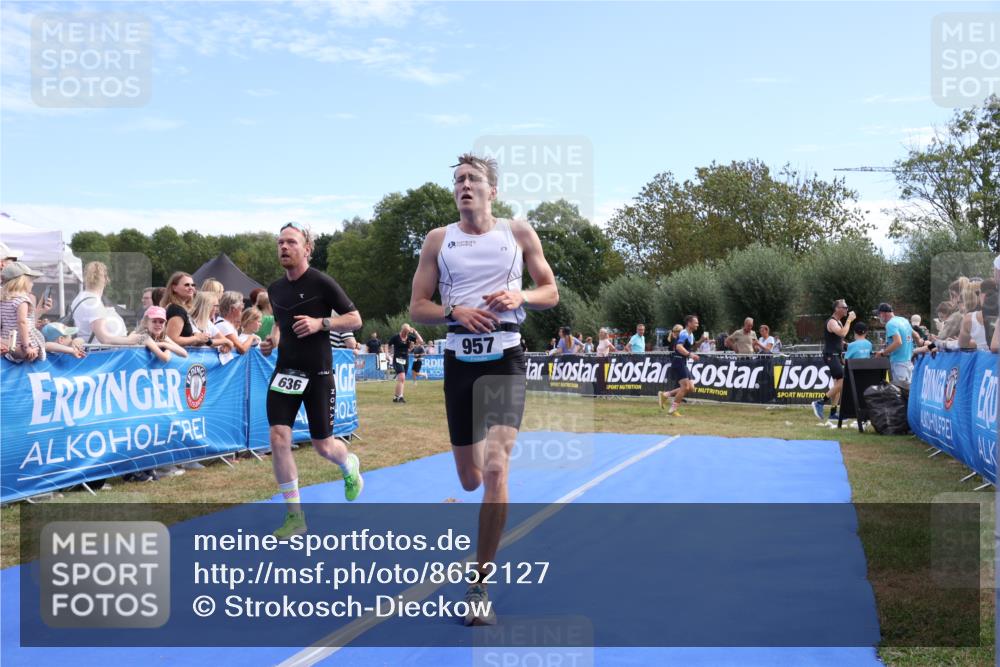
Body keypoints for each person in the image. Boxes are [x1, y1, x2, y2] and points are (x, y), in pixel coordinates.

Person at [409, 152, 558, 626]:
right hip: (460, 364)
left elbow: (550, 291)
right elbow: (417, 307)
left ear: (493, 190)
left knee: (496, 468)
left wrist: (522, 296)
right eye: (458, 180)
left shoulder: (517, 233)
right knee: (469, 479)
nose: (464, 186)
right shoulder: (439, 240)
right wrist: (454, 312)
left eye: (473, 179)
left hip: (506, 359)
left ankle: (479, 586)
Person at [260, 221, 364, 539]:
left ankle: (348, 465)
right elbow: (280, 322)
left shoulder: (321, 282)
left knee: (323, 446)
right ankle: (295, 517)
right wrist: (272, 340)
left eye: (290, 242)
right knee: (279, 437)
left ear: (306, 248)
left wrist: (322, 323)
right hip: (286, 373)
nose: (283, 247)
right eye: (280, 242)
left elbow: (355, 319)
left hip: (318, 374)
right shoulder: (275, 289)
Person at [68, 261, 137, 346]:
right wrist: (130, 340)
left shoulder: (79, 298)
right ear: (105, 279)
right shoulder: (93, 303)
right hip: (99, 354)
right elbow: (104, 338)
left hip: (87, 351)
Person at [812, 299, 855, 423]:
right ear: (837, 309)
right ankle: (819, 403)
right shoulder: (832, 322)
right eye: (844, 307)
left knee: (838, 385)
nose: (847, 309)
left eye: (847, 307)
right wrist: (849, 320)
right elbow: (842, 333)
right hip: (831, 355)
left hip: (836, 355)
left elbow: (839, 340)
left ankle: (833, 413)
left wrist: (848, 345)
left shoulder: (838, 322)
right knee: (842, 382)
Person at [1, 262, 45, 362]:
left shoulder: (3, 300)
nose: (32, 284)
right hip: (21, 344)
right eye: (30, 280)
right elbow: (22, 323)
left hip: (7, 343)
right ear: (22, 281)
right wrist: (26, 346)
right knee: (45, 347)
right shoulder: (22, 300)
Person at [658, 314, 700, 416]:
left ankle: (665, 394)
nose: (697, 325)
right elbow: (679, 347)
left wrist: (702, 340)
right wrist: (690, 355)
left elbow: (691, 348)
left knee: (691, 387)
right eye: (696, 323)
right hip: (678, 361)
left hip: (682, 361)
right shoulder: (684, 333)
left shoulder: (691, 335)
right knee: (685, 387)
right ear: (689, 323)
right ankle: (672, 410)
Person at [162, 272, 210, 348]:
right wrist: (196, 338)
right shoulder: (176, 309)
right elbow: (171, 339)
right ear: (174, 288)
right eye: (186, 285)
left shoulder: (179, 308)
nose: (191, 287)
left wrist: (198, 339)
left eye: (193, 285)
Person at [874, 302, 917, 384]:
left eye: (879, 314)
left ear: (883, 314)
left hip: (898, 363)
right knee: (908, 391)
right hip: (909, 361)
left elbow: (898, 342)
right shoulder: (903, 320)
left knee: (898, 392)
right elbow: (916, 336)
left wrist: (883, 353)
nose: (879, 317)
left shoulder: (890, 324)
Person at [388, 323, 422, 402]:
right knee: (402, 377)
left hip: (405, 359)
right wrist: (387, 353)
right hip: (397, 359)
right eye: (404, 331)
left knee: (402, 379)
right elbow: (388, 344)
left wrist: (415, 332)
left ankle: (396, 397)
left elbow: (421, 341)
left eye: (407, 332)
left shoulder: (409, 337)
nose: (406, 333)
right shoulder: (396, 337)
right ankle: (400, 397)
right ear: (402, 330)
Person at [957, 286, 989, 351]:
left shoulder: (968, 318)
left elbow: (962, 345)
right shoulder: (968, 317)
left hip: (983, 358)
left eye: (960, 301)